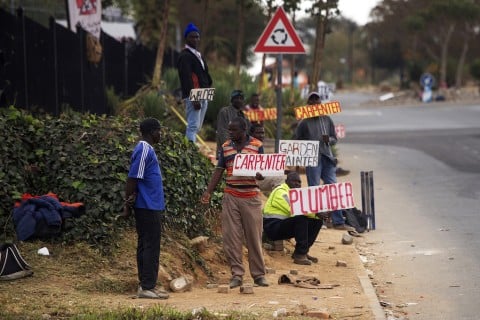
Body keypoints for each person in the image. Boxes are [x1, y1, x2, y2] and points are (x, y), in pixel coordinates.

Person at [200, 117, 269, 289]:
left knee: (254, 237)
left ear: (244, 129)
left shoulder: (256, 145)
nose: (230, 133)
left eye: (234, 130)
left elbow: (263, 170)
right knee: (232, 238)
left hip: (251, 197)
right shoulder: (226, 147)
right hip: (231, 195)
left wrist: (260, 175)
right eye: (229, 130)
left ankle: (259, 275)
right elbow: (219, 170)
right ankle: (237, 275)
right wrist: (208, 191)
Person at [293, 92, 353, 231]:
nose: (314, 102)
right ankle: (319, 221)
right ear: (308, 104)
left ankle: (338, 221)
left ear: (320, 103)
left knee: (332, 187)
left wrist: (329, 140)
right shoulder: (304, 122)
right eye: (311, 100)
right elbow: (297, 140)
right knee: (315, 188)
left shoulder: (326, 119)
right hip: (313, 159)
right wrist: (308, 143)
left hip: (327, 157)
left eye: (316, 99)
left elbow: (334, 138)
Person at [123, 118, 169, 299]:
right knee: (150, 245)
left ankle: (146, 285)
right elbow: (133, 178)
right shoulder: (143, 149)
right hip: (147, 206)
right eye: (159, 130)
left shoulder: (148, 149)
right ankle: (147, 287)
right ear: (151, 132)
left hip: (150, 205)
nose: (161, 134)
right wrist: (127, 204)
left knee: (146, 244)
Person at [263, 172, 323, 265]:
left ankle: (302, 252)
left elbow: (306, 209)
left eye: (299, 182)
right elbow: (295, 208)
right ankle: (300, 255)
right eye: (294, 181)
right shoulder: (281, 191)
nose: (297, 184)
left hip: (283, 226)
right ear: (287, 181)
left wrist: (319, 215)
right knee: (301, 218)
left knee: (317, 221)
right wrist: (316, 213)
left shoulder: (296, 195)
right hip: (272, 227)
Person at [177, 22, 213, 143]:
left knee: (197, 127)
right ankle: (190, 153)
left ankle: (191, 149)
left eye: (197, 36)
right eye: (192, 36)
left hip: (204, 93)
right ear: (186, 38)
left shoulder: (198, 55)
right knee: (192, 126)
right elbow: (186, 78)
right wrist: (194, 98)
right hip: (194, 95)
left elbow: (204, 73)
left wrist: (209, 86)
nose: (195, 39)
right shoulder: (185, 56)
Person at [216, 89, 249, 159]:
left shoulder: (244, 115)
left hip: (242, 152)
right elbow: (222, 132)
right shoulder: (224, 111)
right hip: (227, 151)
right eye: (236, 98)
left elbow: (247, 133)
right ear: (231, 100)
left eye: (241, 98)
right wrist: (231, 149)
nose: (239, 100)